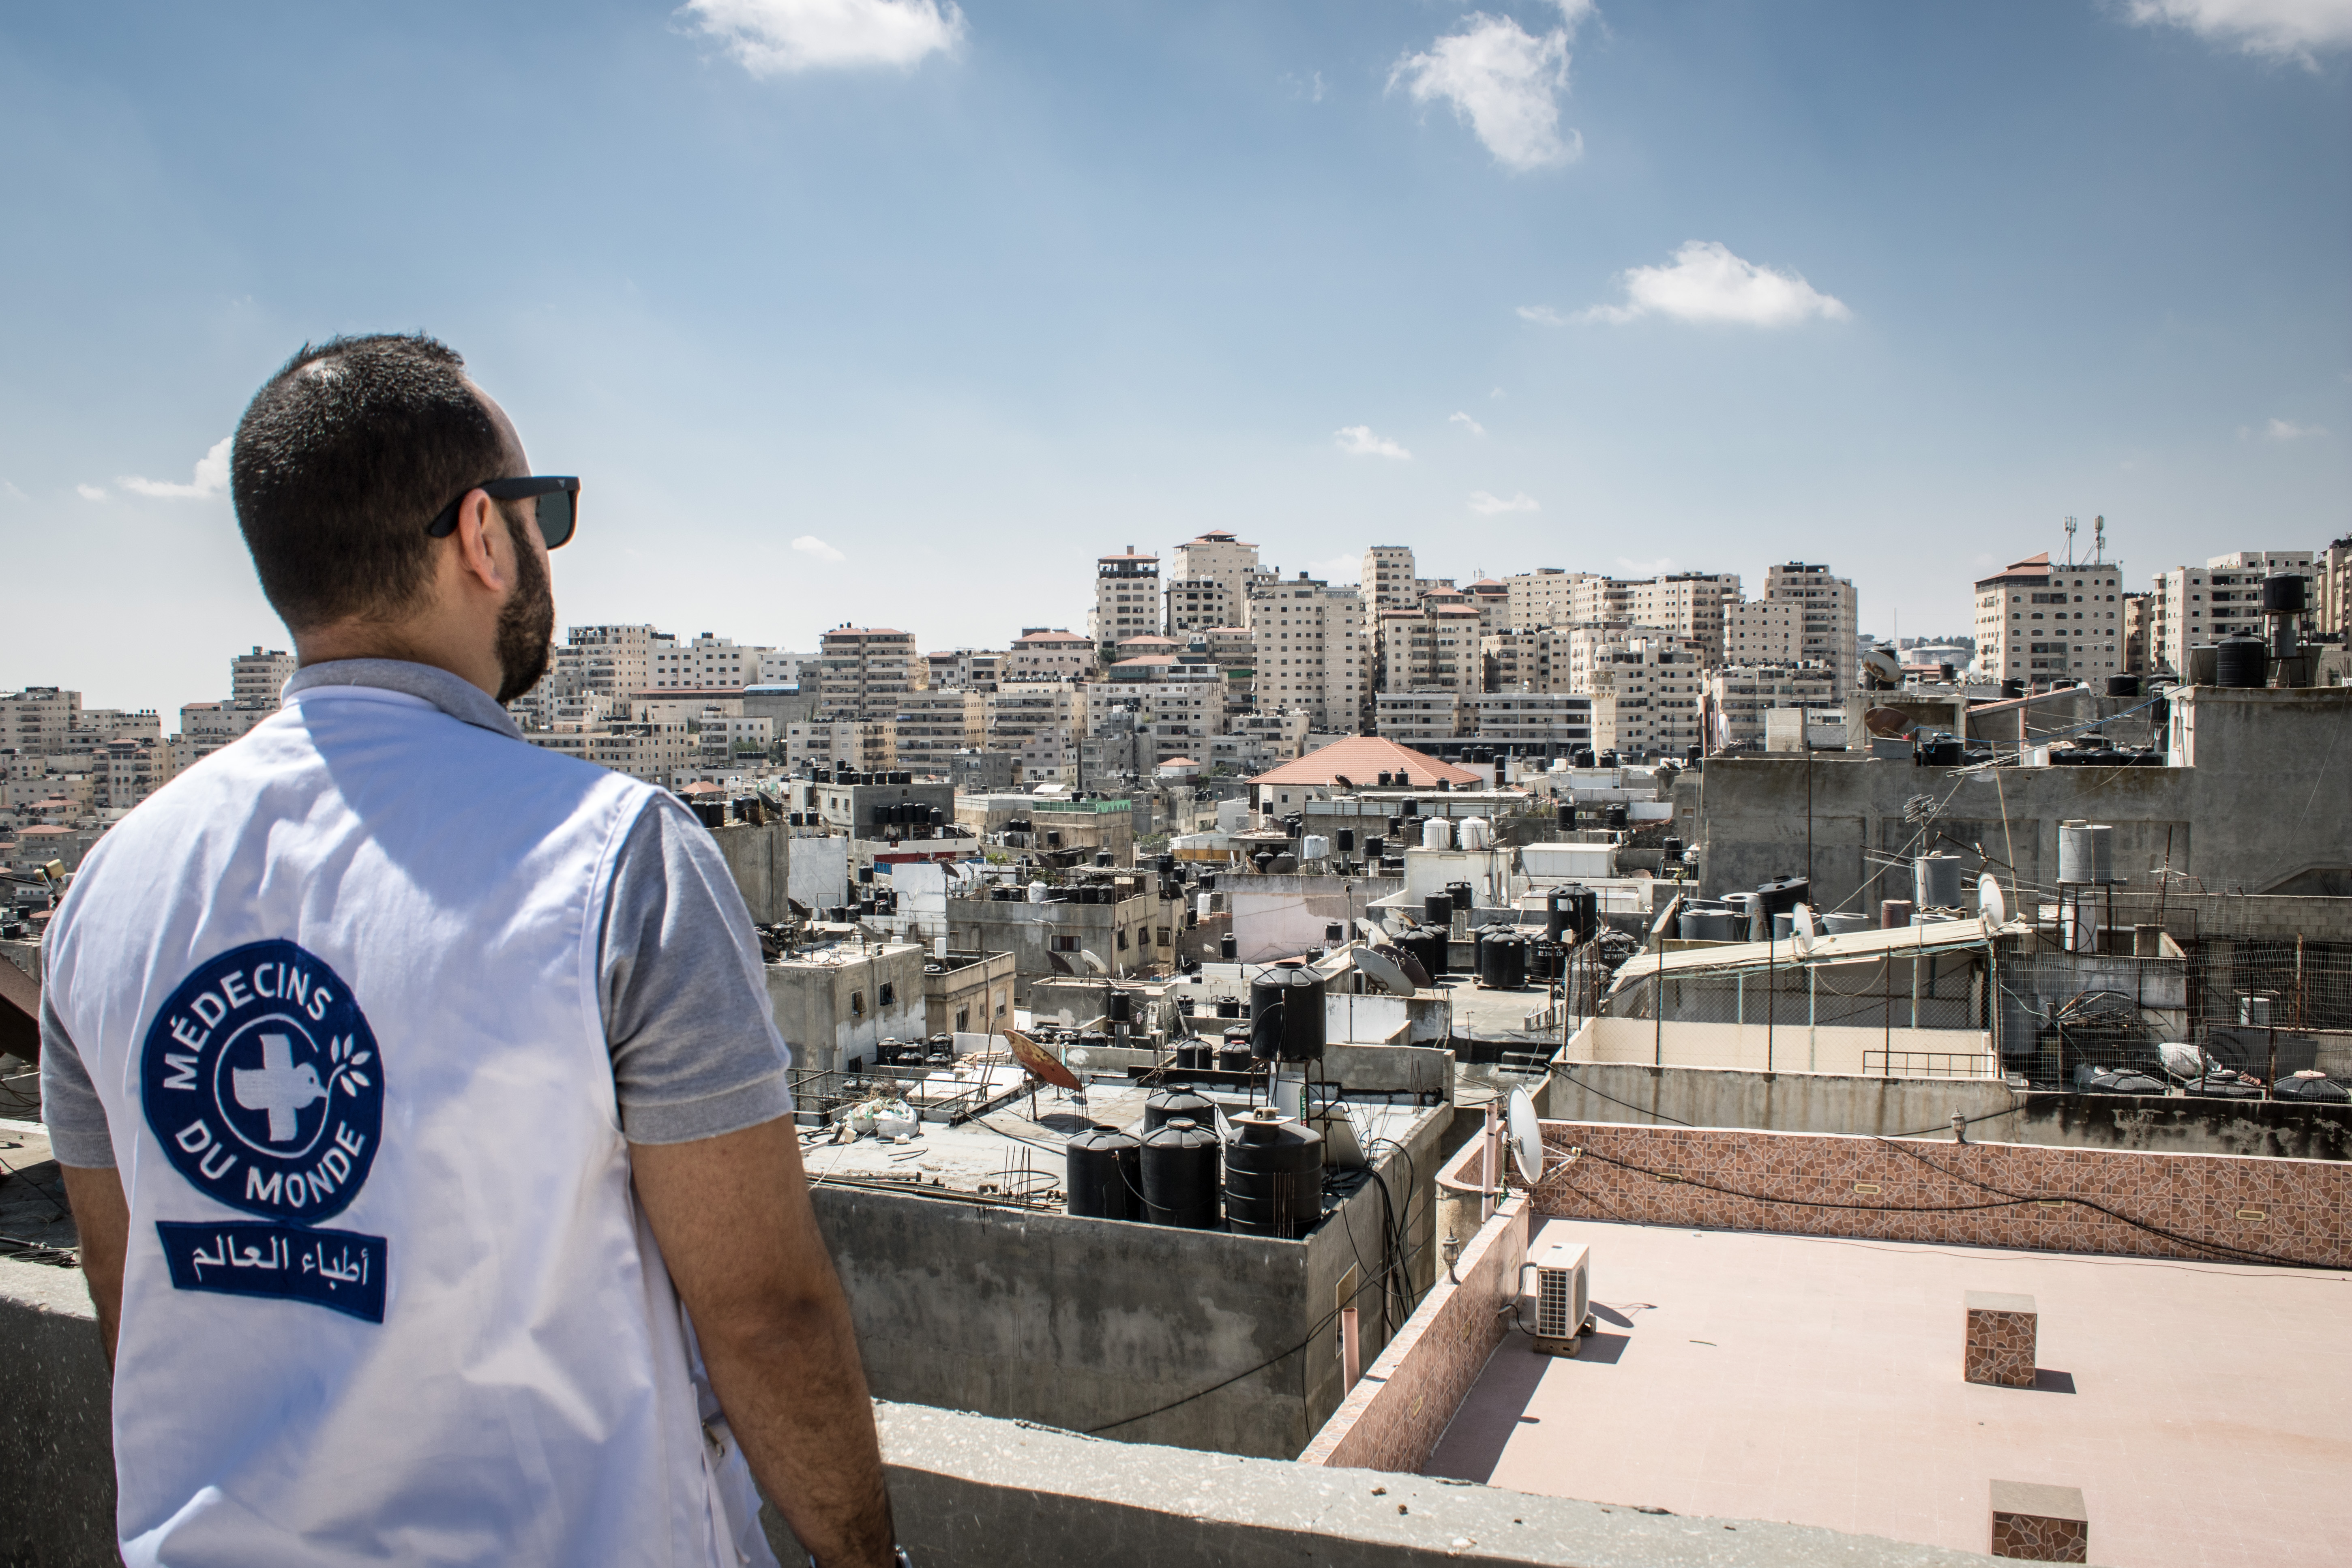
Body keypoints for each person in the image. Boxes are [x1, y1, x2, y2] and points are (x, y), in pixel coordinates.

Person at [41, 334, 898, 1567]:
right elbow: (762, 1315)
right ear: (485, 537)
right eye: (544, 513)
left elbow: (138, 1300)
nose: (548, 551)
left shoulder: (107, 891)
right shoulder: (614, 861)